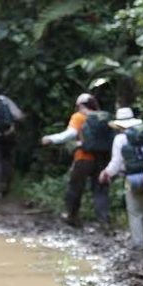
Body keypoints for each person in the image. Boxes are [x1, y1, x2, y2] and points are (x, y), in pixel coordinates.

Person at [41, 93, 112, 228]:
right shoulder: (103, 117)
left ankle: (72, 216)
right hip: (102, 159)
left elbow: (70, 134)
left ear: (79, 105)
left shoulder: (79, 117)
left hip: (83, 158)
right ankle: (104, 221)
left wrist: (51, 138)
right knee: (100, 190)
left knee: (75, 187)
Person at [99, 107, 143, 248]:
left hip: (131, 178)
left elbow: (116, 163)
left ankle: (139, 244)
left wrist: (106, 173)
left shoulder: (120, 138)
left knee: (135, 211)